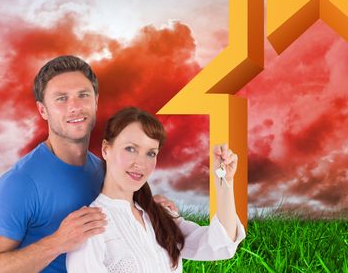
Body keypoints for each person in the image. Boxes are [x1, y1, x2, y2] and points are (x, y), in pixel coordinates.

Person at [0, 55, 177, 273]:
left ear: (96, 101)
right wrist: (57, 243)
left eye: (83, 95)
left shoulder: (104, 168)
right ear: (42, 110)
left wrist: (149, 209)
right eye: (61, 98)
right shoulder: (22, 182)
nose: (75, 107)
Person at [66, 107, 245, 272]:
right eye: (130, 149)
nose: (141, 163)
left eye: (151, 153)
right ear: (106, 150)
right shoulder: (90, 227)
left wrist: (223, 181)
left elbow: (221, 245)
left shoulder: (160, 215)